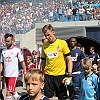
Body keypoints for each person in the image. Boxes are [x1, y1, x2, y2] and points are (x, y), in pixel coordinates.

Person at [40, 24, 73, 100]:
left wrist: (69, 74)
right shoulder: (44, 46)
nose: (47, 37)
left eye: (49, 35)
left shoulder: (62, 43)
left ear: (53, 32)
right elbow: (43, 62)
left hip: (60, 76)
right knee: (48, 98)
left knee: (62, 98)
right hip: (48, 76)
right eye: (46, 36)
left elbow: (69, 59)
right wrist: (41, 74)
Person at [0, 33, 26, 100]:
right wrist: (0, 73)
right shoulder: (4, 51)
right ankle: (19, 98)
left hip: (13, 75)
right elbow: (1, 63)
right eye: (6, 41)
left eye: (8, 41)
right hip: (6, 75)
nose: (6, 42)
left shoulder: (17, 50)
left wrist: (25, 72)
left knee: (8, 93)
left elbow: (22, 61)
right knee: (13, 91)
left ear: (12, 41)